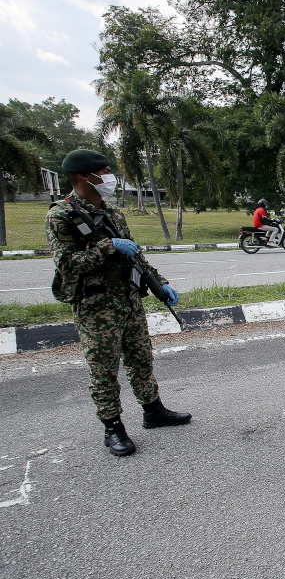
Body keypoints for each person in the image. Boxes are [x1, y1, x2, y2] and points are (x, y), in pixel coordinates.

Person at [44, 149, 191, 457]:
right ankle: (113, 428)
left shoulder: (112, 211)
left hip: (128, 298)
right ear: (85, 176)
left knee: (141, 359)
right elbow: (68, 266)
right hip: (96, 306)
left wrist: (160, 282)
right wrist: (107, 246)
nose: (109, 177)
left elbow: (134, 254)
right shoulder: (61, 215)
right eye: (105, 171)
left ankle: (153, 411)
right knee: (104, 369)